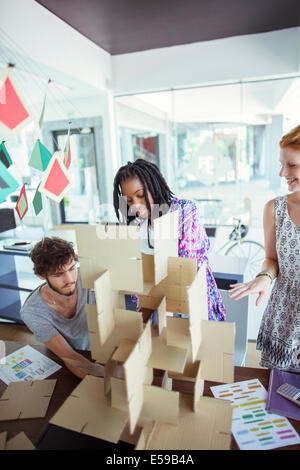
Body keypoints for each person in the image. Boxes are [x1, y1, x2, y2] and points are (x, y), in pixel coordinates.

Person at [113, 159, 226, 321]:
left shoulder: (184, 211)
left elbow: (184, 264)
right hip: (155, 307)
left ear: (154, 186)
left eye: (140, 195)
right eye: (129, 200)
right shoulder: (136, 225)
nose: (135, 205)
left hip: (190, 305)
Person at [228, 125, 300, 371]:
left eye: (292, 165)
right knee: (280, 396)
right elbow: (272, 259)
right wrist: (264, 277)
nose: (282, 173)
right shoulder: (274, 209)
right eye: (282, 164)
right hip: (284, 319)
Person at [20, 236, 104, 379]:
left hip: (105, 349)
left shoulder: (89, 278)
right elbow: (70, 357)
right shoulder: (32, 312)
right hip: (75, 356)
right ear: (41, 276)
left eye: (72, 269)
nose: (70, 279)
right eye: (59, 274)